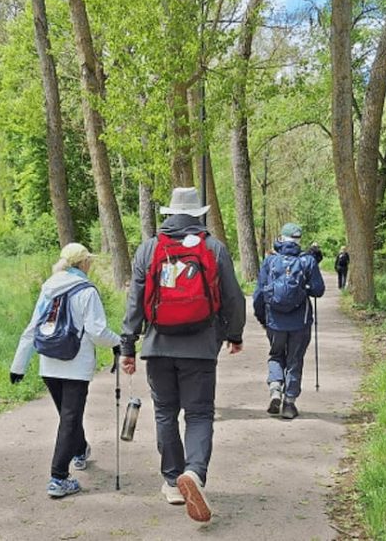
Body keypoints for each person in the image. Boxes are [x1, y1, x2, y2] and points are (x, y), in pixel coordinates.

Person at [120, 187, 246, 523]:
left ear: (170, 214)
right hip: (201, 348)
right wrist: (234, 334)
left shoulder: (149, 248)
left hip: (158, 347)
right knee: (199, 414)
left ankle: (173, 482)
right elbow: (233, 298)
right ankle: (194, 473)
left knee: (165, 413)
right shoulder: (213, 247)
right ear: (198, 215)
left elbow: (135, 302)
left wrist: (128, 345)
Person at [10, 243, 121, 499]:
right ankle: (58, 478)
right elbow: (97, 332)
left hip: (49, 363)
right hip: (76, 364)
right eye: (89, 261)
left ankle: (80, 450)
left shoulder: (49, 288)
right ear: (83, 264)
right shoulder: (87, 291)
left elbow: (32, 327)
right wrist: (118, 343)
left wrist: (18, 365)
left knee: (68, 416)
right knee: (70, 418)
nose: (90, 265)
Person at [253, 223, 325, 420]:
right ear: (299, 240)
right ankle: (289, 404)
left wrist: (262, 318)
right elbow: (318, 290)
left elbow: (259, 293)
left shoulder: (270, 261)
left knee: (276, 354)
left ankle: (275, 387)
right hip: (300, 322)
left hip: (274, 322)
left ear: (281, 238)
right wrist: (305, 288)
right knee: (295, 360)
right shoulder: (307, 261)